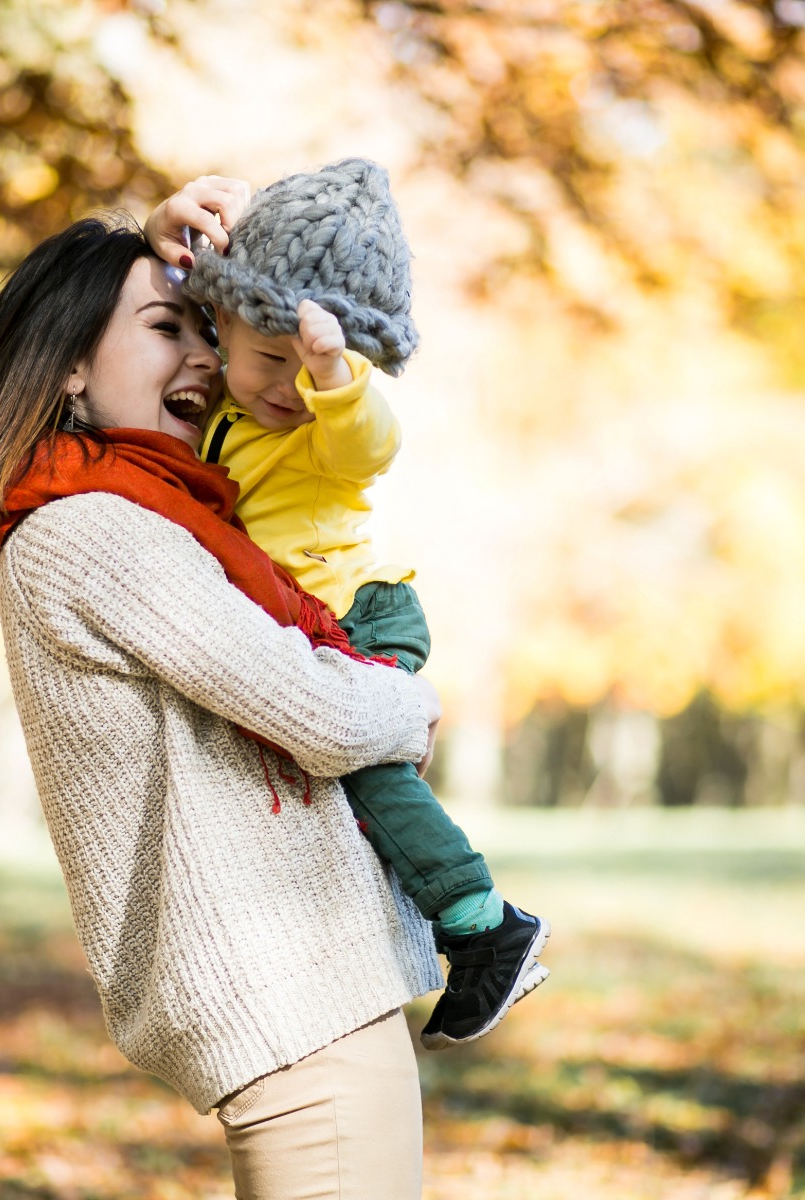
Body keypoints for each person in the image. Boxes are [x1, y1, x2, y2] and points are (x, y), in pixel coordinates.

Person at [0, 214, 442, 1198]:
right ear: (68, 362)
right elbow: (326, 716)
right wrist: (409, 702)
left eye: (208, 331)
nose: (207, 358)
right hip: (297, 1019)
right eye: (172, 329)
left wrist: (174, 235)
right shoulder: (94, 530)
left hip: (308, 1008)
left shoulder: (141, 503)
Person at [144, 161, 549, 1050]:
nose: (287, 386)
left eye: (316, 367)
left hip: (361, 608)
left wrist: (337, 375)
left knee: (364, 765)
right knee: (326, 773)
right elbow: (156, 314)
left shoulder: (329, 426)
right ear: (228, 325)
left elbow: (373, 444)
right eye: (271, 359)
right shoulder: (225, 395)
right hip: (307, 612)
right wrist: (160, 234)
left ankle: (483, 924)